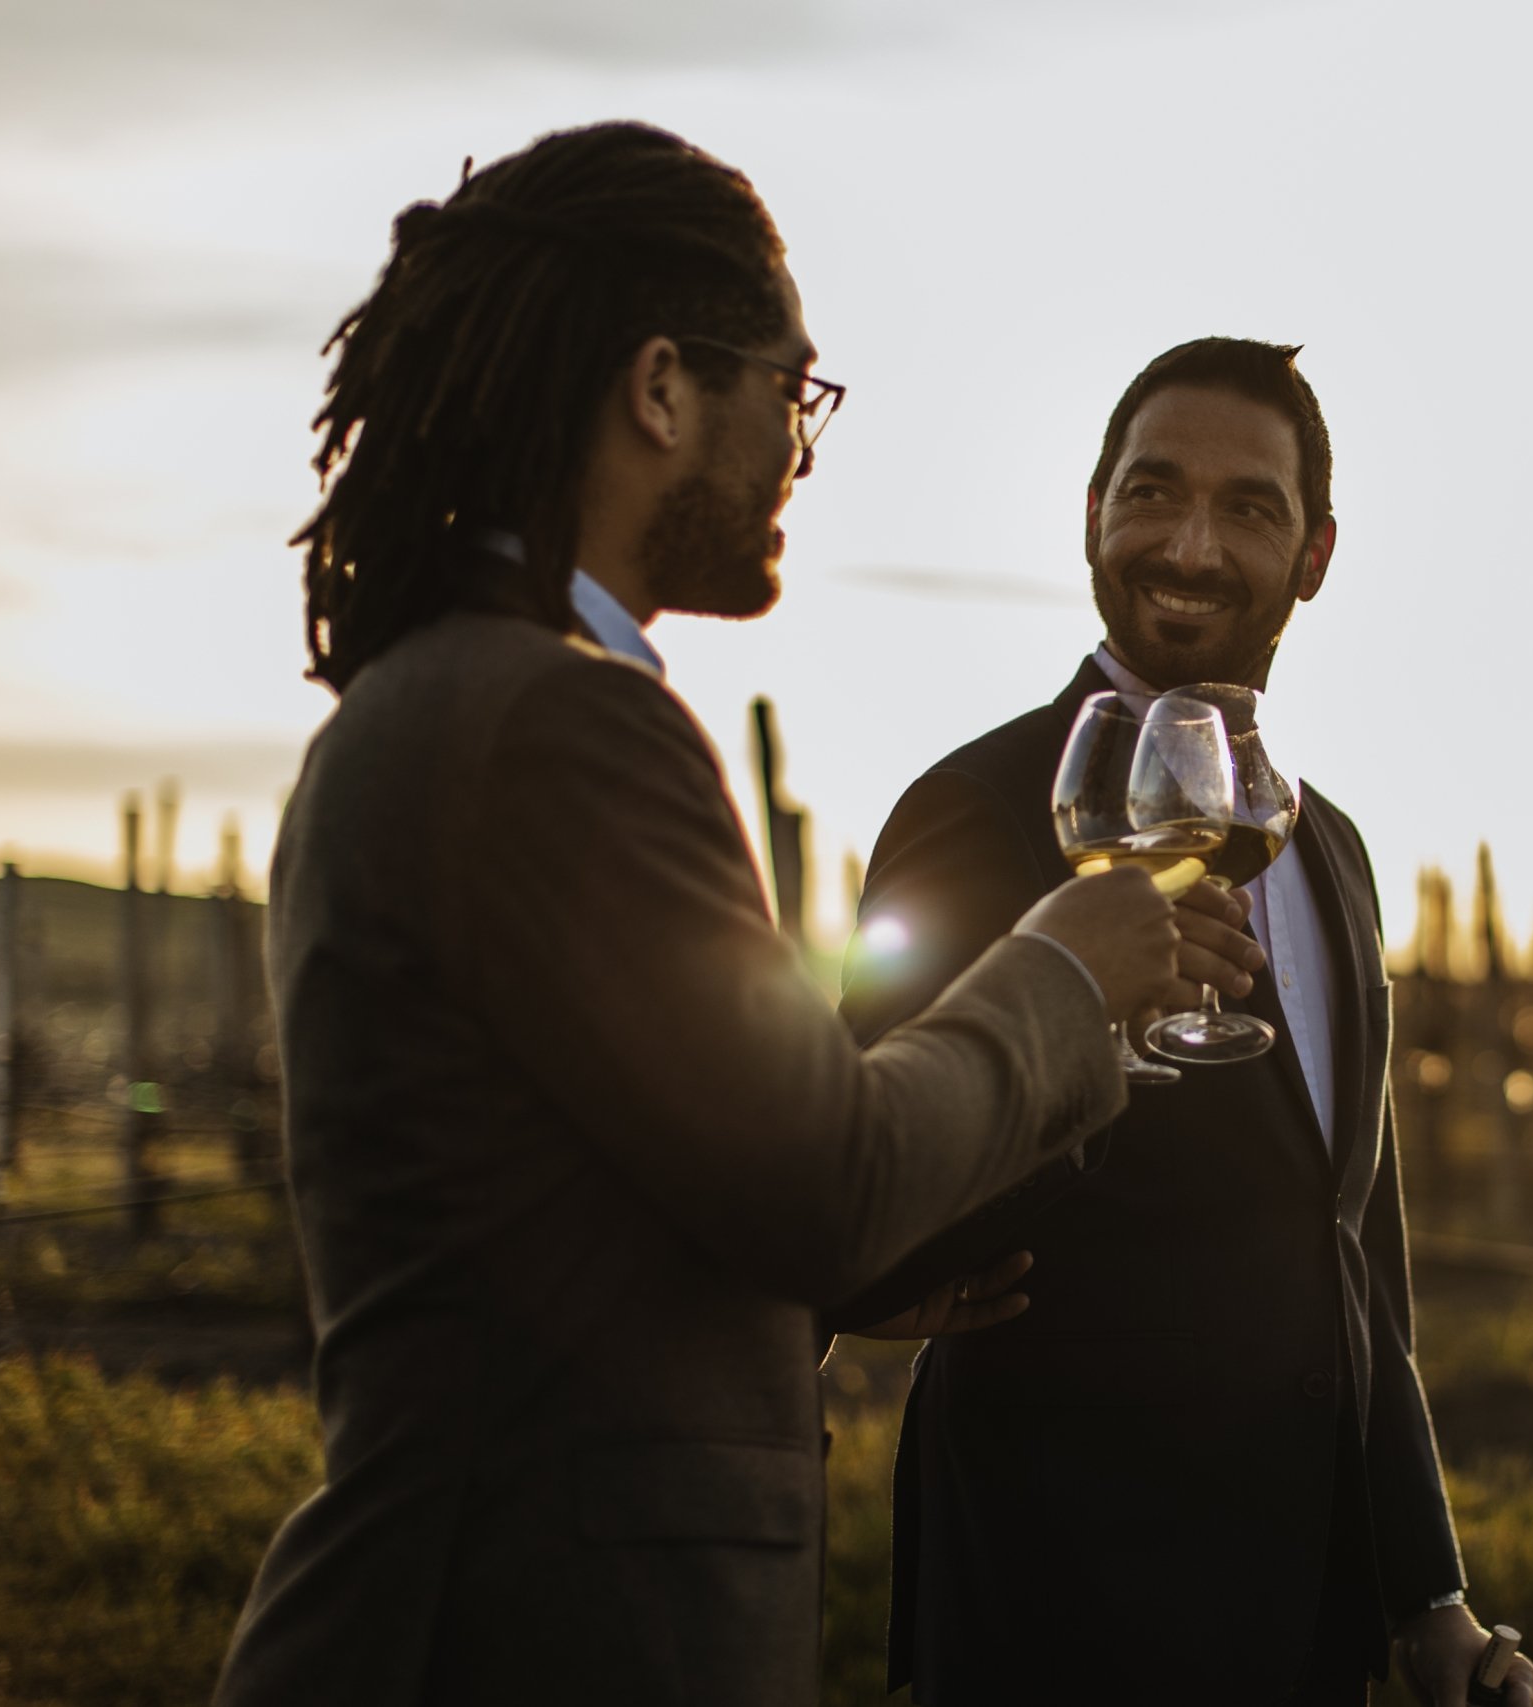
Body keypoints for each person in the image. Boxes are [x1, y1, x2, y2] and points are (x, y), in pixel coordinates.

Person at [213, 124, 1258, 1707]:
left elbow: (600, 1209)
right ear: (659, 390)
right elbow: (823, 1177)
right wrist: (1065, 962)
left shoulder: (452, 700)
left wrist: (802, 1303)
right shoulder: (555, 727)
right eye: (791, 390)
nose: (797, 446)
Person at [837, 338, 1533, 1707]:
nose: (1191, 545)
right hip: (1048, 1621)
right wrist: (1088, 1033)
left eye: (1249, 508)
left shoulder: (1323, 848)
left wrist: (1425, 1591)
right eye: (1152, 492)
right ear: (1093, 513)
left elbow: (1353, 1252)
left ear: (1316, 554)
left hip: (1302, 1632)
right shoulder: (974, 809)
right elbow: (861, 1217)